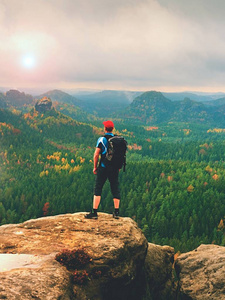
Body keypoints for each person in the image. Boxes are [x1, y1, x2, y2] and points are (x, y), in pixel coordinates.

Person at [85, 120, 121, 219]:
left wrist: (95, 167)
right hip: (114, 168)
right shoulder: (117, 140)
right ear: (112, 129)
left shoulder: (102, 139)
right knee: (115, 188)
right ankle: (116, 212)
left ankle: (94, 212)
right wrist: (118, 166)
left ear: (105, 129)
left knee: (98, 188)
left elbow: (96, 154)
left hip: (103, 167)